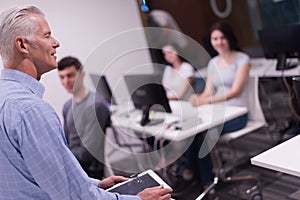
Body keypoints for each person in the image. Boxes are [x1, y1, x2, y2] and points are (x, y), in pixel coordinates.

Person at [0, 5, 172, 199]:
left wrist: (91, 183)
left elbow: (34, 173)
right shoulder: (31, 110)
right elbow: (75, 196)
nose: (56, 43)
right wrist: (139, 199)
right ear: (22, 45)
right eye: (47, 36)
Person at [183, 22, 250, 189]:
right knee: (190, 130)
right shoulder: (213, 62)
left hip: (237, 113)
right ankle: (193, 172)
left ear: (229, 39)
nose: (219, 42)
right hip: (217, 111)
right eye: (215, 38)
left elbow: (235, 91)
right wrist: (198, 98)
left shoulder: (242, 59)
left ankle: (204, 180)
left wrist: (207, 100)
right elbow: (208, 91)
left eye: (222, 38)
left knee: (201, 135)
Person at [57, 56, 110, 179]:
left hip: (89, 174)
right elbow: (65, 142)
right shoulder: (67, 106)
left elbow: (86, 155)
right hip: (73, 166)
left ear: (82, 74)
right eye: (61, 77)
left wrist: (60, 158)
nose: (66, 82)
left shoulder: (96, 106)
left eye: (70, 76)